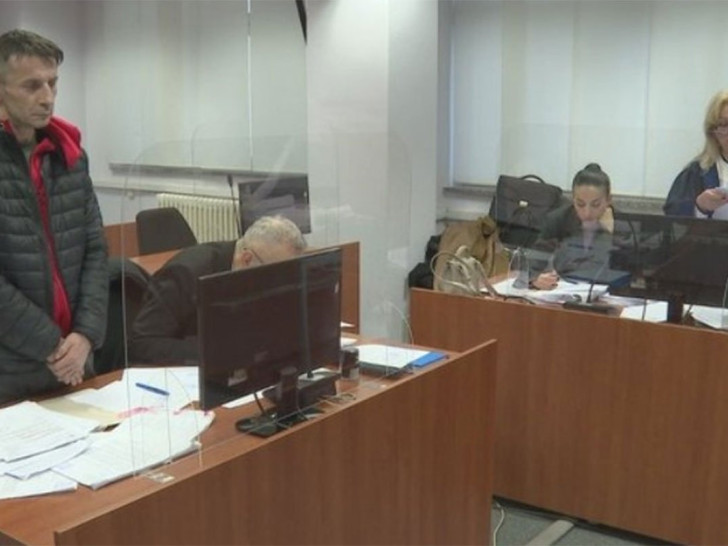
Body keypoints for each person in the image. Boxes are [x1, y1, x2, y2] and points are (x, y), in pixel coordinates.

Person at [0, 29, 108, 403]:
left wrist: (86, 335)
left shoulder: (69, 156)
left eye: (52, 83)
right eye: (32, 86)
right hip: (12, 370)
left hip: (75, 360)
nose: (47, 97)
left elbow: (95, 249)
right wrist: (51, 345)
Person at [129, 215, 307, 364]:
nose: (279, 284)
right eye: (275, 275)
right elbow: (141, 343)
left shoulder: (259, 267)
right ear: (246, 259)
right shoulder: (186, 273)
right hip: (186, 377)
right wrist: (214, 352)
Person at [531, 163, 615, 290]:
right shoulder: (558, 219)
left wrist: (609, 233)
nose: (587, 213)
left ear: (608, 200)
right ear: (573, 199)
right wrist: (535, 278)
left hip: (607, 294)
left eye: (595, 205)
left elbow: (632, 273)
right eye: (580, 204)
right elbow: (532, 262)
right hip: (563, 291)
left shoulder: (624, 224)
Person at [664, 89, 728, 218]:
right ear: (712, 132)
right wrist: (699, 206)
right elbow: (672, 214)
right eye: (723, 125)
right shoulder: (697, 172)